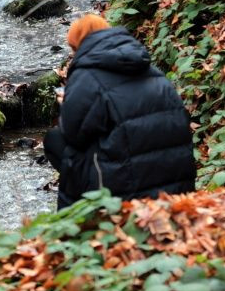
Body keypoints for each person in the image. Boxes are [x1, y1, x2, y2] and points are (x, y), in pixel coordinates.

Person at [43, 14, 196, 209]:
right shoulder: (152, 70)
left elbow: (73, 134)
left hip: (126, 192)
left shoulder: (87, 75)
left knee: (55, 140)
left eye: (73, 49)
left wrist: (65, 105)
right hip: (177, 186)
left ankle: (83, 215)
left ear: (79, 45)